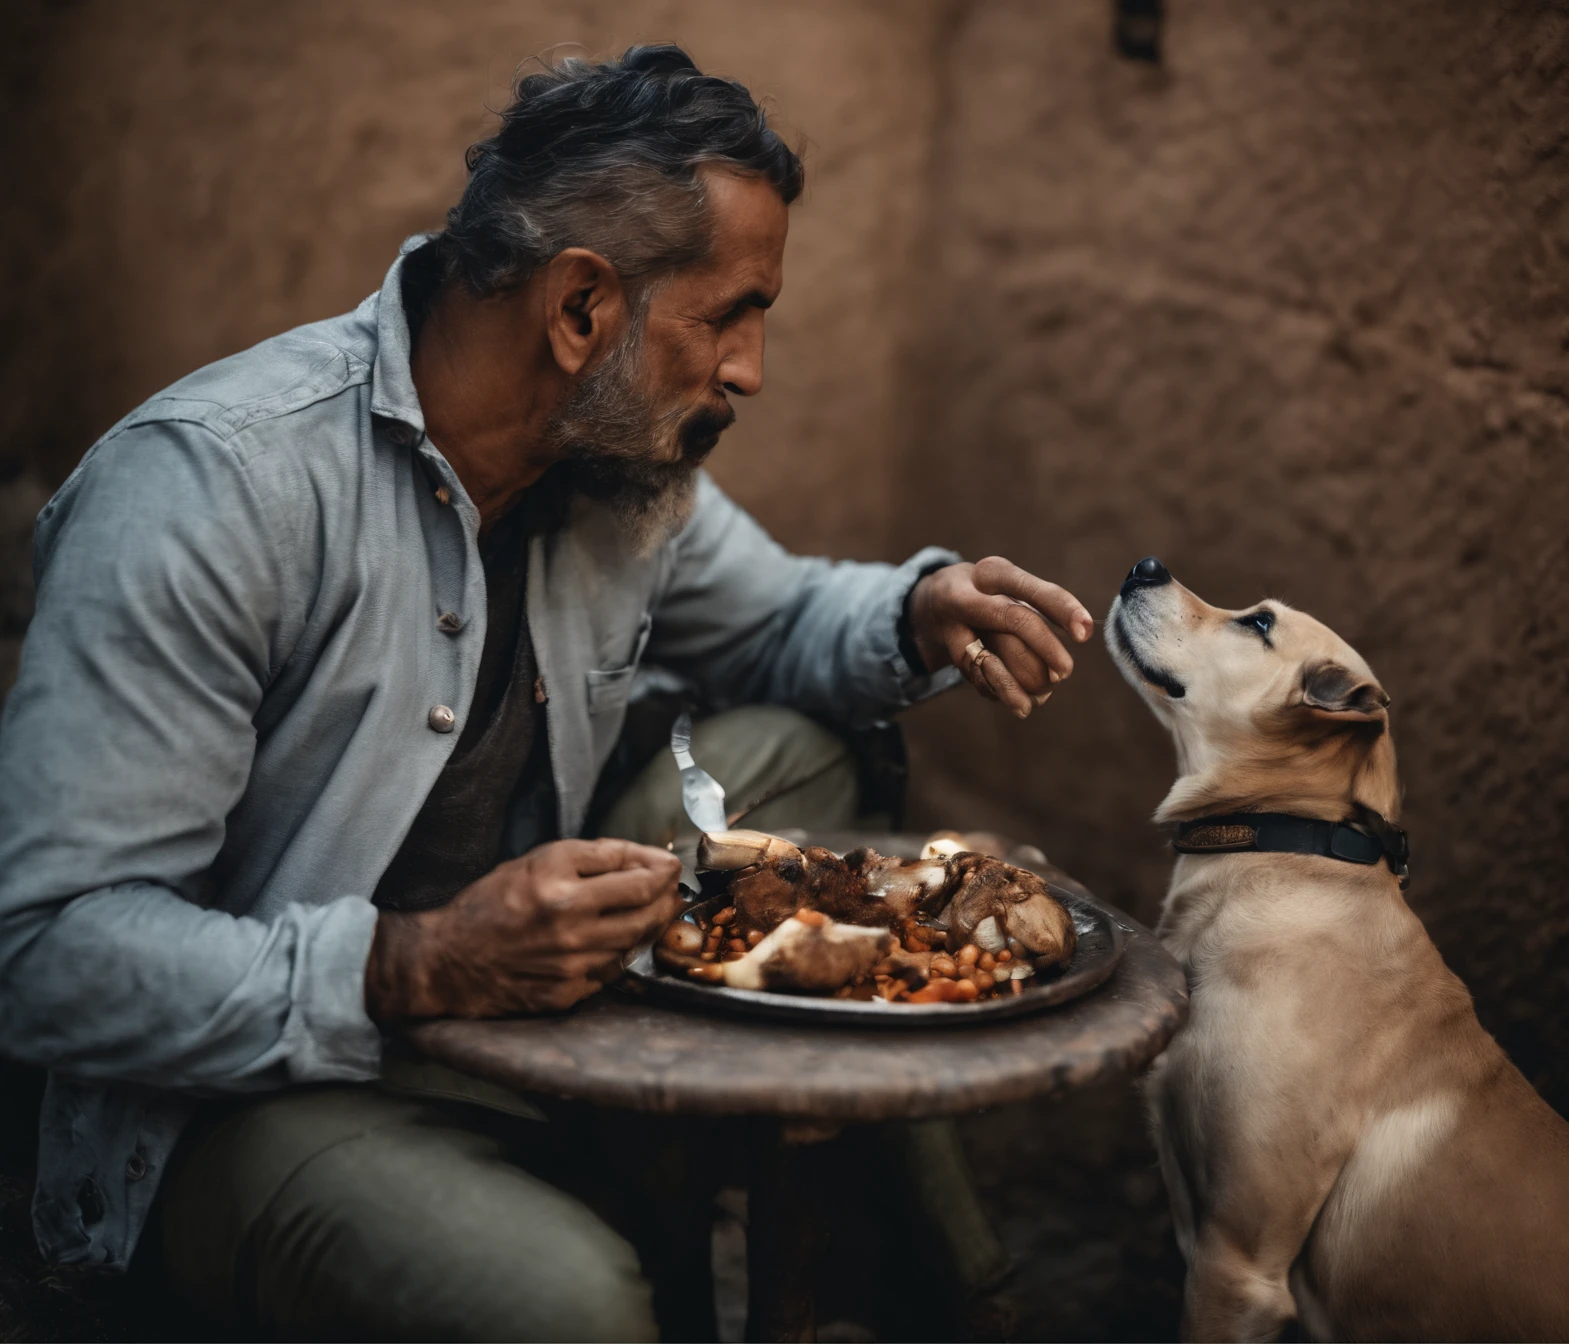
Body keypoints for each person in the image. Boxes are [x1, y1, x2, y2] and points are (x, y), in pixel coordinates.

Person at [0, 45, 1092, 1339]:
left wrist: (917, 612)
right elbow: (49, 954)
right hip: (248, 1100)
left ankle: (952, 1297)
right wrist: (416, 964)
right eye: (730, 313)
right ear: (582, 310)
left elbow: (787, 619)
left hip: (547, 1007)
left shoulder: (615, 472)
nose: (749, 370)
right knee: (571, 1308)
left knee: (792, 751)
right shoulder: (210, 493)